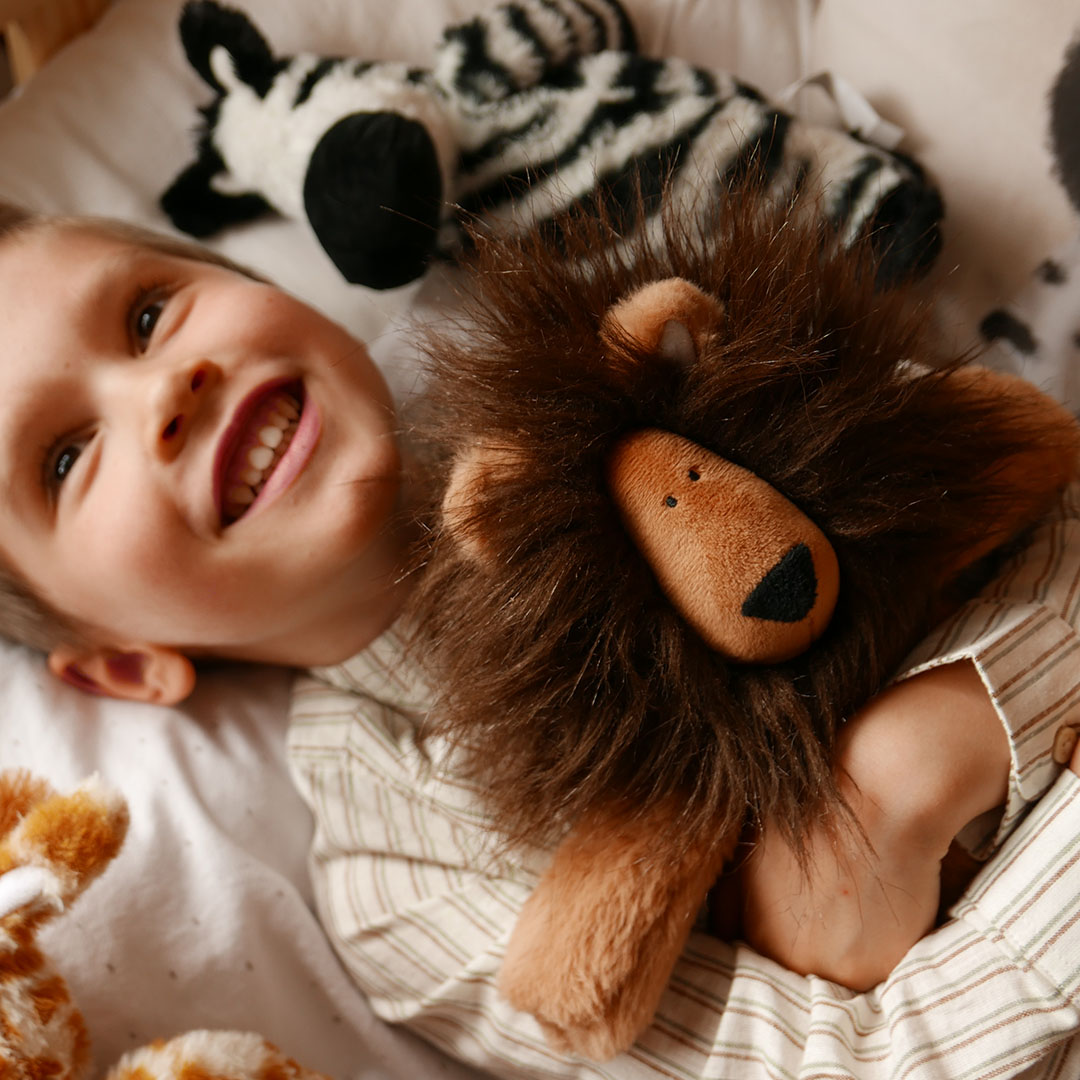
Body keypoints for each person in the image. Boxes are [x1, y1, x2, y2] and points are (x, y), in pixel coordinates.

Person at [0, 200, 1078, 1078]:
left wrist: (928, 750)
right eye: (63, 458)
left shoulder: (646, 372)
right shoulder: (394, 872)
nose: (163, 389)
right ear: (126, 664)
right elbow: (843, 1065)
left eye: (148, 316)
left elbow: (1023, 477)